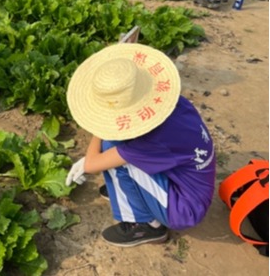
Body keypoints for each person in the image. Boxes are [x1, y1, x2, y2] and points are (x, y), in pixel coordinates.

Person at [65, 43, 216, 247]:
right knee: (115, 144)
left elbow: (92, 164)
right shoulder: (174, 104)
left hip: (184, 209)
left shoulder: (151, 142)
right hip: (193, 187)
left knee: (113, 154)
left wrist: (98, 132)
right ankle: (132, 192)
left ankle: (147, 225)